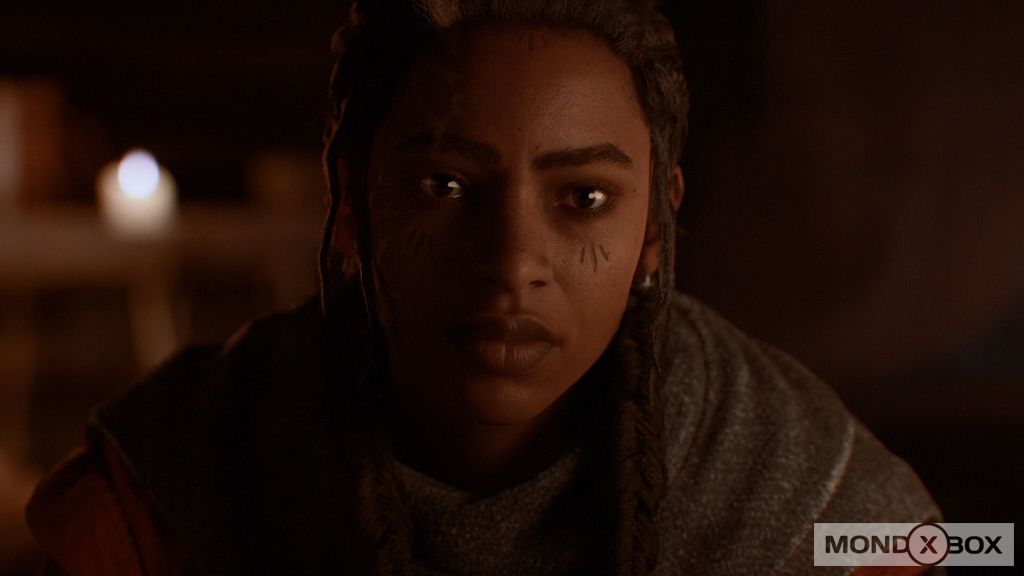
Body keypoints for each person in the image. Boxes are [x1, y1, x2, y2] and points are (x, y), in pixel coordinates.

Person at [24, 1, 942, 574]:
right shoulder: (165, 491)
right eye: (445, 186)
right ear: (352, 203)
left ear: (654, 228)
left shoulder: (790, 471)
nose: (511, 262)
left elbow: (965, 547)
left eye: (584, 199)